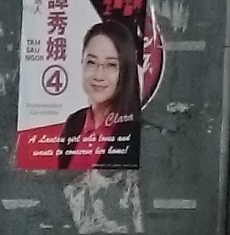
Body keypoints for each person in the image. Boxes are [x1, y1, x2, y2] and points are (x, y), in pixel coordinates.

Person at [18, 15, 145, 172]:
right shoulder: (74, 123)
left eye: (111, 65)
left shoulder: (137, 133)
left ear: (127, 70)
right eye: (91, 62)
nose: (99, 75)